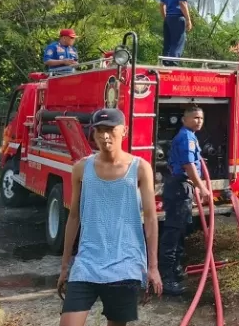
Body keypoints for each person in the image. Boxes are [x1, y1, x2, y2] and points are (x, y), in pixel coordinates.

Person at [57, 108, 162, 326]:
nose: (105, 136)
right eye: (99, 131)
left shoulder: (140, 168)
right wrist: (66, 265)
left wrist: (153, 267)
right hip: (87, 262)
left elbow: (151, 219)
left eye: (110, 130)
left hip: (125, 263)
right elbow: (74, 216)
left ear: (124, 131)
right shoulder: (81, 168)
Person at [161, 106, 210, 295]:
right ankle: (167, 279)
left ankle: (175, 270)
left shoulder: (190, 136)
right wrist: (203, 188)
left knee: (181, 230)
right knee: (172, 234)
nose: (199, 121)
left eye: (201, 118)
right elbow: (188, 165)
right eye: (195, 117)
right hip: (179, 187)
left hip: (183, 187)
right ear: (184, 119)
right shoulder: (186, 137)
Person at [160, 0, 192, 66]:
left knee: (168, 43)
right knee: (178, 42)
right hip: (178, 17)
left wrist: (165, 17)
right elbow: (182, 3)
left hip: (168, 17)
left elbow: (161, 5)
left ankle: (165, 63)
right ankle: (173, 64)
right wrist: (188, 19)